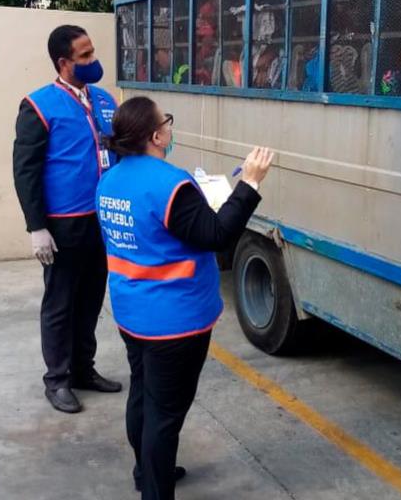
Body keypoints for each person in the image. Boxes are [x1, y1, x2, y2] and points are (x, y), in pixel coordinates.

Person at [96, 96, 273, 499]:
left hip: (132, 313)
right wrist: (249, 183)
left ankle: (146, 471)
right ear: (156, 136)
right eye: (167, 122)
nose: (170, 128)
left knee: (143, 396)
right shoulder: (170, 184)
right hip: (174, 322)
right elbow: (217, 235)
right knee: (164, 417)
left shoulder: (110, 180)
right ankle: (154, 488)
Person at [12, 25, 123, 414]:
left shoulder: (105, 100)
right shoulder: (39, 105)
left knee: (91, 299)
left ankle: (82, 370)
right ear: (64, 62)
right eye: (85, 55)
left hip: (101, 220)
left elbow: (118, 148)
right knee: (60, 303)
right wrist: (36, 226)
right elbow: (25, 170)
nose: (94, 60)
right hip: (63, 223)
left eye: (93, 52)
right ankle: (57, 379)